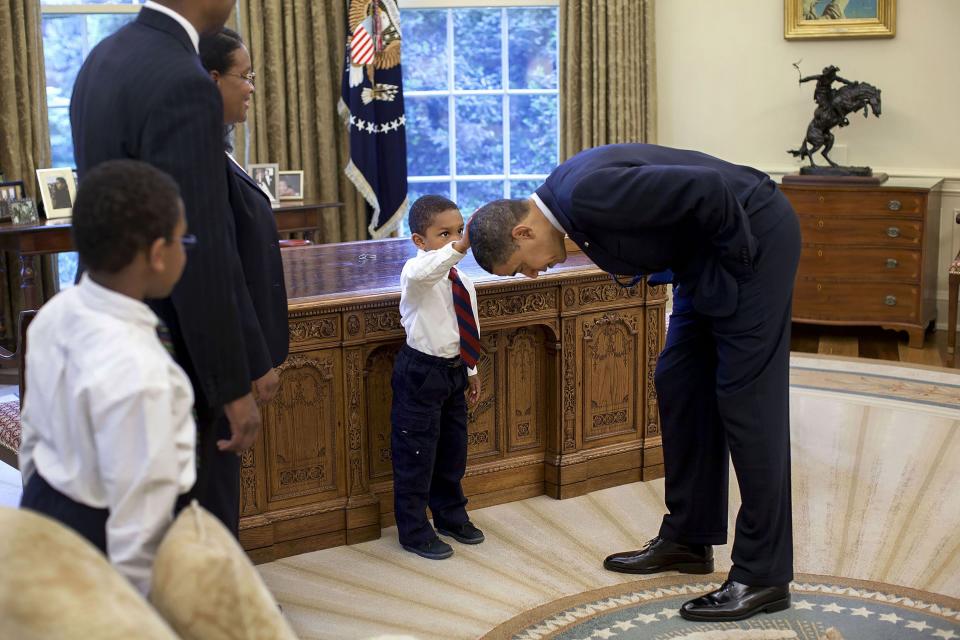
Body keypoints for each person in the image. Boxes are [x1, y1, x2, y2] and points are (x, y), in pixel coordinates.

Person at [468, 143, 801, 622]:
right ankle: (689, 539)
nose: (532, 272)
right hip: (706, 258)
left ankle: (763, 575)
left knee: (749, 405)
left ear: (522, 231)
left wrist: (739, 269)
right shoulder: (568, 201)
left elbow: (711, 189)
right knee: (679, 382)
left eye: (521, 264)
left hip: (751, 241)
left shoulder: (585, 194)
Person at [70, 0, 267, 535]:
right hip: (173, 348)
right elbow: (199, 247)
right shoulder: (183, 80)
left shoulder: (102, 58)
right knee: (194, 524)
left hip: (106, 324)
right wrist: (231, 384)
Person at [19, 159, 195, 596]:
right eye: (182, 239)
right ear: (157, 255)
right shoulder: (143, 373)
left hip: (43, 504)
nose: (185, 250)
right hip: (103, 541)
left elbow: (32, 435)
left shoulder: (54, 314)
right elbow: (140, 522)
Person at [392, 195, 484, 560]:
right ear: (420, 241)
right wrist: (461, 246)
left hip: (453, 372)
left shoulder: (461, 278)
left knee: (452, 450)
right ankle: (414, 529)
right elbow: (426, 271)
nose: (454, 239)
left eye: (459, 231)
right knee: (416, 453)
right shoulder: (415, 274)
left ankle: (450, 515)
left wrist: (471, 369)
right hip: (420, 373)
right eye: (443, 233)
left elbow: (468, 324)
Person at [200, 28, 289, 398]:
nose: (251, 87)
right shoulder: (199, 158)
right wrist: (255, 359)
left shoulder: (216, 146)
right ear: (213, 78)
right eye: (245, 76)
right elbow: (221, 271)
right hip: (230, 361)